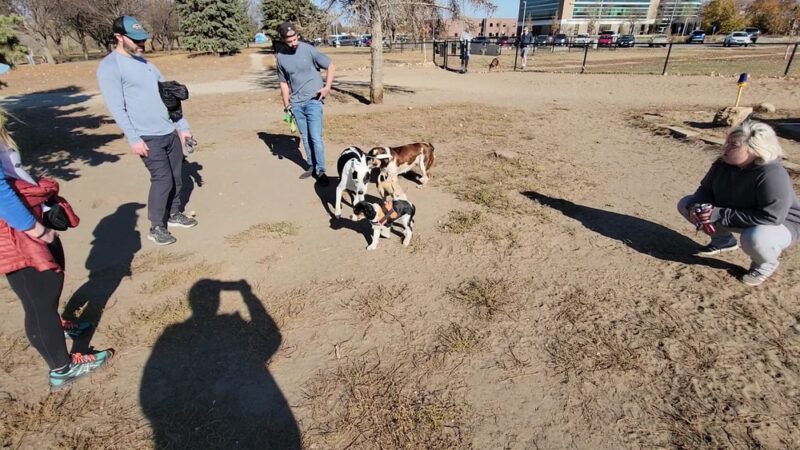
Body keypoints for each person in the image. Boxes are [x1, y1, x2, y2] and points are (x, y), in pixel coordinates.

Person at [0, 110, 112, 389]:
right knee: (38, 299)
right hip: (14, 231)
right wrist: (36, 229)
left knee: (47, 291)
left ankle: (57, 327)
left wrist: (44, 205)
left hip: (25, 218)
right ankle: (62, 368)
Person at [97, 16, 197, 246]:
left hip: (168, 131)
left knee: (176, 177)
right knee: (162, 179)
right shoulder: (111, 67)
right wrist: (134, 138)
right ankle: (156, 226)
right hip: (147, 136)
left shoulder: (147, 64)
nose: (142, 44)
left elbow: (169, 98)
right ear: (119, 37)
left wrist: (182, 128)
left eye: (143, 39)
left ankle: (174, 214)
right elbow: (117, 108)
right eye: (136, 40)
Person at [678, 121, 800, 286]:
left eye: (733, 145)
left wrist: (717, 214)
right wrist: (697, 206)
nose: (725, 148)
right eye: (727, 143)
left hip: (780, 224)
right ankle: (723, 242)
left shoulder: (771, 173)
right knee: (686, 203)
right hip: (737, 213)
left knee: (755, 238)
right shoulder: (722, 164)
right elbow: (706, 189)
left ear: (755, 149)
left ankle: (764, 266)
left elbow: (772, 217)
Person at [275, 21, 335, 187]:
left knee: (315, 137)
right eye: (289, 41)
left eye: (295, 39)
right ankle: (312, 166)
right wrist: (286, 105)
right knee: (306, 138)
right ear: (283, 40)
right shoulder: (280, 58)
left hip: (314, 101)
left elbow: (330, 65)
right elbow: (283, 83)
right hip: (296, 104)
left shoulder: (308, 50)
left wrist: (327, 87)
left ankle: (321, 170)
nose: (293, 43)